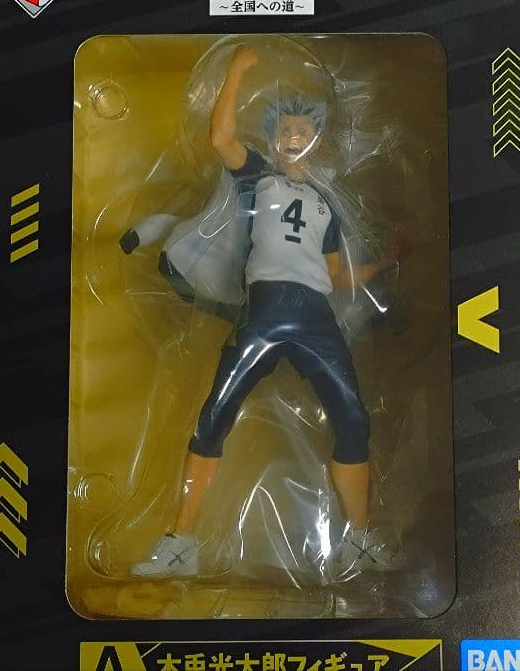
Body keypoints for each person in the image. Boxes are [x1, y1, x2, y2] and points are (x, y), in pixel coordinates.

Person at [132, 44, 403, 578]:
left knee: (353, 418)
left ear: (318, 138)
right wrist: (235, 71)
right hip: (264, 310)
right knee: (215, 415)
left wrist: (385, 263)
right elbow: (220, 138)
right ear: (275, 137)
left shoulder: (326, 205)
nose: (295, 137)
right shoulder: (256, 176)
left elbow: (337, 276)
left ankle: (359, 537)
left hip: (316, 315)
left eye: (304, 130)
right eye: (286, 129)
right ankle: (181, 542)